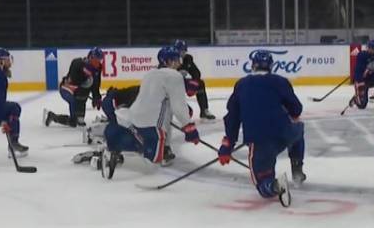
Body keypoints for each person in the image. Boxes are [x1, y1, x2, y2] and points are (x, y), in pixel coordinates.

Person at [218, 50, 306, 203]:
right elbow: (296, 109)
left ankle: (275, 185)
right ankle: (297, 167)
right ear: (271, 66)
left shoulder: (241, 85)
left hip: (259, 140)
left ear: (252, 65)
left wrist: (228, 144)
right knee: (299, 129)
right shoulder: (280, 81)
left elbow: (233, 117)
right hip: (285, 133)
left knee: (263, 184)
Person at [98, 46, 198, 178]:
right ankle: (126, 152)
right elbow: (178, 106)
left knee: (145, 148)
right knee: (154, 167)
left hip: (133, 120)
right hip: (152, 127)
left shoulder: (150, 73)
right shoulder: (175, 76)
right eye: (177, 59)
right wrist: (188, 126)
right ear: (169, 61)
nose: (179, 63)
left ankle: (117, 147)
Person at [45, 47, 104, 127]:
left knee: (76, 121)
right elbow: (75, 80)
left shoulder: (98, 68)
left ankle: (76, 117)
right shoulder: (78, 63)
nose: (98, 63)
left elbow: (95, 85)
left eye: (100, 60)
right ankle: (54, 116)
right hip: (67, 88)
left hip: (79, 91)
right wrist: (85, 80)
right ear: (91, 58)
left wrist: (96, 97)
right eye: (96, 60)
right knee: (74, 120)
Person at [175, 39, 215, 121]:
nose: (182, 53)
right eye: (180, 50)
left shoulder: (187, 59)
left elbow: (196, 73)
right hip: (171, 85)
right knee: (187, 112)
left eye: (184, 50)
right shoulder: (170, 59)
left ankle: (204, 110)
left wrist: (195, 82)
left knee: (200, 83)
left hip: (181, 83)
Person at [352, 40, 374, 109]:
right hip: (362, 80)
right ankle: (357, 97)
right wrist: (359, 81)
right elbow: (358, 70)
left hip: (372, 78)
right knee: (362, 105)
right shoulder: (362, 55)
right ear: (368, 48)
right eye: (372, 48)